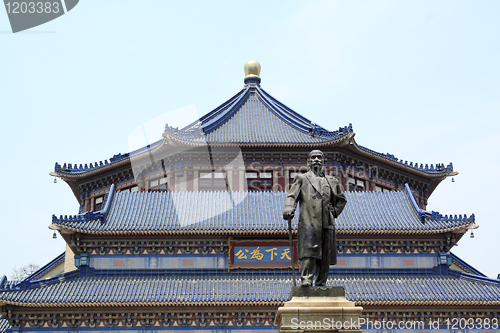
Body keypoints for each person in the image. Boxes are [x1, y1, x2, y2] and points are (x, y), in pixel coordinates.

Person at [283, 150, 347, 287]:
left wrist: (334, 212)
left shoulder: (332, 181)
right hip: (309, 221)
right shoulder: (302, 178)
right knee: (309, 250)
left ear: (323, 162)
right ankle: (306, 279)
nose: (316, 159)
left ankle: (321, 282)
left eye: (319, 157)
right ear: (309, 162)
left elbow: (341, 200)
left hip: (327, 221)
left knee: (326, 252)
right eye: (313, 157)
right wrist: (289, 208)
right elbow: (291, 196)